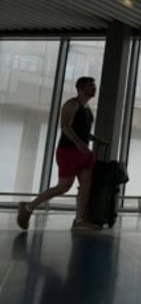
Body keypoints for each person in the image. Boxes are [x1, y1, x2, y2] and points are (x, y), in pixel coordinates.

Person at [17, 76, 104, 232]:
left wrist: (94, 139)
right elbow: (64, 126)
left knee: (85, 185)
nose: (93, 88)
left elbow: (82, 130)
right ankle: (28, 207)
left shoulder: (87, 108)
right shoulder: (71, 105)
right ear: (80, 88)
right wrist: (78, 143)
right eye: (90, 86)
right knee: (63, 186)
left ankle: (79, 220)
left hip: (84, 152)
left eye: (94, 85)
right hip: (68, 151)